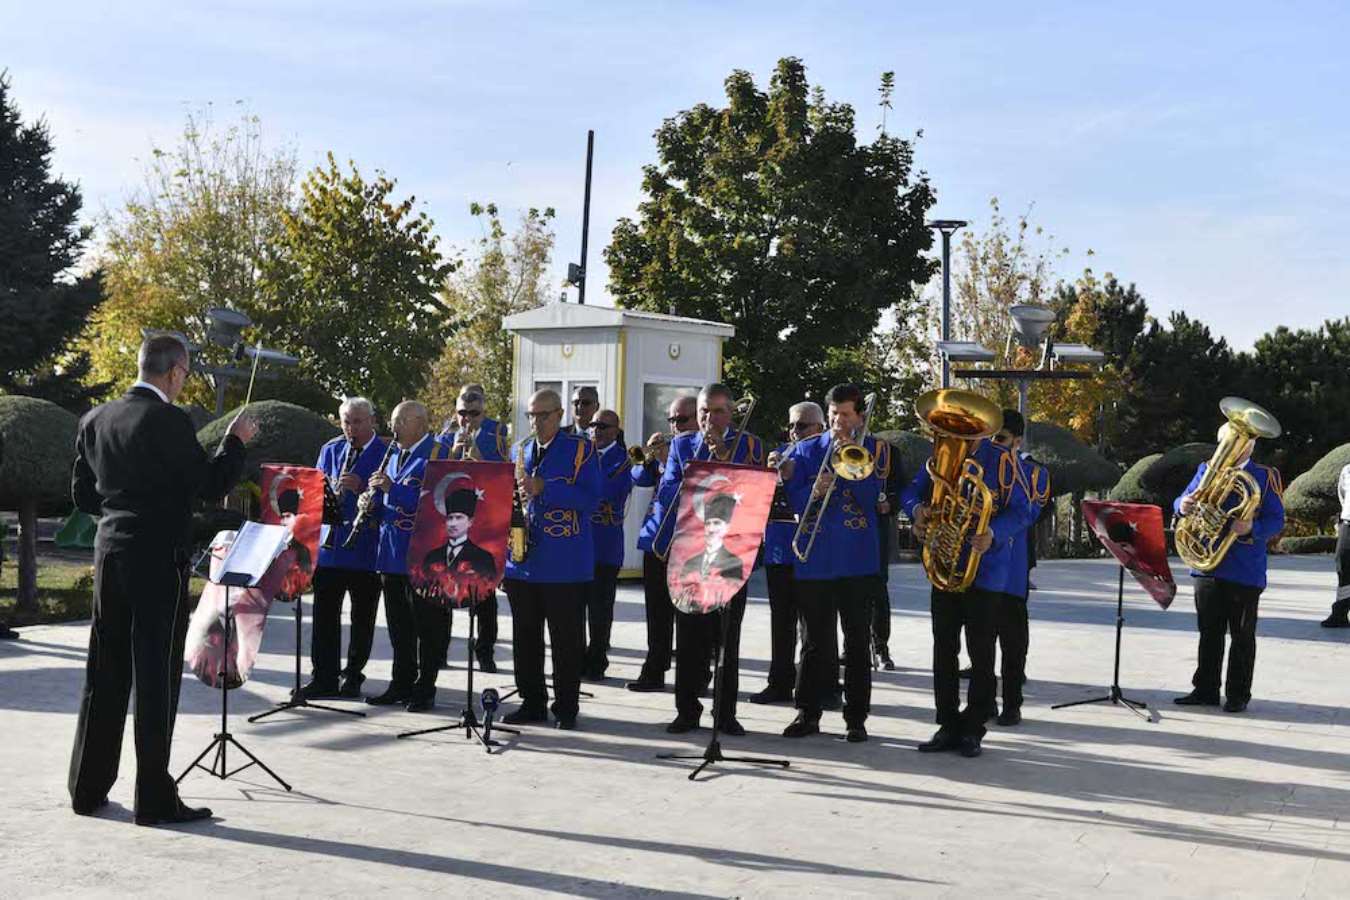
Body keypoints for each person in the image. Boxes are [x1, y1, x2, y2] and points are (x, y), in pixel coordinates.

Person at [68, 334, 257, 826]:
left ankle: (87, 788)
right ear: (175, 371)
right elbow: (212, 486)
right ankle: (153, 797)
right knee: (155, 677)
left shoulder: (95, 419)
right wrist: (235, 443)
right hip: (157, 561)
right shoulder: (169, 421)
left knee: (104, 671)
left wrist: (121, 511)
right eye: (185, 374)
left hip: (110, 555)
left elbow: (82, 496)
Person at [902, 422, 1033, 758]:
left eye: (968, 431)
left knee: (981, 652)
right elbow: (910, 493)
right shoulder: (940, 455)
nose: (960, 437)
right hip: (943, 565)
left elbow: (1024, 510)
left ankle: (974, 727)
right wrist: (917, 511)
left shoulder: (1003, 461)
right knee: (943, 648)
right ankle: (946, 723)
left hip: (985, 569)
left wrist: (994, 532)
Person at [777, 384, 889, 743]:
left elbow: (874, 498)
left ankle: (856, 718)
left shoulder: (873, 450)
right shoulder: (806, 450)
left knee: (856, 642)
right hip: (816, 559)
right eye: (833, 414)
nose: (838, 421)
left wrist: (848, 464)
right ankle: (807, 712)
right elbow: (790, 499)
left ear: (859, 416)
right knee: (813, 641)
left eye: (845, 414)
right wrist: (812, 491)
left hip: (857, 560)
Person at [661, 384, 763, 737]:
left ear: (731, 413)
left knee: (725, 639)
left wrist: (724, 459)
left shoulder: (749, 444)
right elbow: (669, 490)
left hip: (732, 552)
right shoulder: (681, 444)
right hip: (691, 551)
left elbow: (754, 494)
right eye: (704, 411)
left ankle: (725, 714)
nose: (709, 418)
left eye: (717, 411)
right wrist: (697, 470)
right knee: (688, 638)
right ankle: (686, 710)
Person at [502, 389, 602, 729]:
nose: (535, 422)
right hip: (523, 562)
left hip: (565, 563)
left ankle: (566, 708)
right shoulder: (520, 451)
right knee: (525, 638)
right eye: (531, 415)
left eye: (542, 415)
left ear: (559, 415)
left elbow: (592, 499)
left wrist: (545, 488)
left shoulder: (580, 450)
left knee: (566, 642)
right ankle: (531, 701)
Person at [1172, 448, 1285, 713]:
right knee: (1209, 632)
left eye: (1238, 440)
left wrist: (1251, 528)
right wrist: (1182, 504)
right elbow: (1181, 500)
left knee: (1242, 636)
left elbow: (1276, 520)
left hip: (1244, 568)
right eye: (1226, 439)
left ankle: (1238, 695)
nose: (1231, 445)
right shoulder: (1206, 468)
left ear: (1252, 444)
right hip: (1207, 565)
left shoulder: (1264, 476)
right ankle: (1205, 689)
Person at [303, 397, 387, 700]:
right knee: (324, 616)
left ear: (372, 421)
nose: (351, 428)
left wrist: (362, 487)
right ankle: (323, 677)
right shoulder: (331, 449)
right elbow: (313, 489)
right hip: (331, 546)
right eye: (346, 421)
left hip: (366, 549)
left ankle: (353, 676)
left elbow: (390, 502)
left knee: (362, 619)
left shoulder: (385, 452)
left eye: (358, 422)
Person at [366, 401, 446, 713]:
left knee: (426, 626)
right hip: (391, 554)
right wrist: (371, 502)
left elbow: (438, 500)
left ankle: (425, 687)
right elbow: (389, 499)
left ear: (418, 423)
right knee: (399, 626)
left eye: (398, 421)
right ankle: (400, 682)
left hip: (423, 556)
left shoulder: (438, 453)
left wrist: (393, 489)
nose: (393, 427)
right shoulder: (395, 455)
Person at [752, 402, 824, 705]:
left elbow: (816, 500)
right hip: (779, 549)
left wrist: (792, 478)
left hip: (808, 551)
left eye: (802, 426)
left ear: (819, 428)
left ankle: (813, 687)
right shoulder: (783, 453)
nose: (795, 432)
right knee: (780, 621)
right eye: (792, 426)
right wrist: (770, 475)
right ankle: (779, 681)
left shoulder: (825, 454)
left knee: (812, 626)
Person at [626, 394, 699, 693]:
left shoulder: (696, 449)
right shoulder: (667, 451)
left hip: (685, 541)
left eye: (682, 420)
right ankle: (654, 668)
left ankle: (695, 675)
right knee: (656, 612)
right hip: (656, 538)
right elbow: (639, 479)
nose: (675, 425)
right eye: (671, 419)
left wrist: (671, 459)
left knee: (688, 618)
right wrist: (652, 458)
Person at [437, 384, 509, 671]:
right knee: (443, 584)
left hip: (485, 518)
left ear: (484, 410)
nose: (467, 419)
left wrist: (477, 454)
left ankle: (485, 651)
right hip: (452, 516)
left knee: (484, 589)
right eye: (462, 413)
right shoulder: (444, 434)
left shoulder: (498, 432)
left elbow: (505, 473)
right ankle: (439, 650)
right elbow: (434, 474)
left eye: (474, 413)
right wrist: (453, 453)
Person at [990, 410, 1050, 727]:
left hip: (1011, 566)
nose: (993, 443)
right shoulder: (977, 462)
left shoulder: (1034, 472)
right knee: (980, 641)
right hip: (979, 564)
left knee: (1013, 643)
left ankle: (1012, 704)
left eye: (1000, 438)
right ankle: (983, 701)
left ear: (1017, 440)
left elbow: (1031, 510)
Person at [583, 409, 633, 680]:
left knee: (600, 609)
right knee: (576, 606)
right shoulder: (584, 453)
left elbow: (604, 490)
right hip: (579, 543)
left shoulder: (622, 460)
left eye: (602, 426)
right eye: (592, 425)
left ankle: (597, 659)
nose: (596, 430)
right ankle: (577, 658)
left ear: (615, 430)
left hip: (605, 545)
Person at [421, 481, 498, 582]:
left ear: (470, 522)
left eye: (459, 517)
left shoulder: (484, 558)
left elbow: (487, 586)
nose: (453, 523)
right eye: (450, 518)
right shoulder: (432, 556)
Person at [1320, 461, 1350, 628]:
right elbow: (1343, 495)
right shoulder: (1347, 469)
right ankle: (1340, 613)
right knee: (1343, 566)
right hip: (1349, 524)